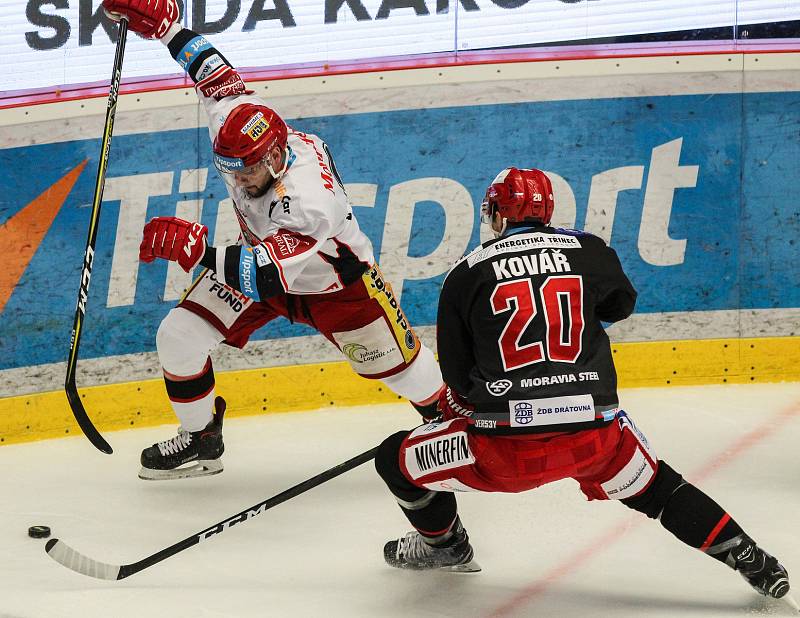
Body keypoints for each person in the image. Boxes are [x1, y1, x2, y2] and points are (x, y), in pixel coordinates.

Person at [374, 167, 793, 603]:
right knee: (659, 490)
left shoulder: (465, 273)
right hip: (597, 437)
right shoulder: (587, 248)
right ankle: (750, 557)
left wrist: (463, 407)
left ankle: (445, 547)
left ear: (499, 211)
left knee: (392, 457)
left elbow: (458, 376)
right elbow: (621, 303)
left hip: (506, 452)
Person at [101, 0, 444, 480]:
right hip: (265, 267)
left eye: (250, 170)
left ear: (278, 158)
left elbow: (261, 272)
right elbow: (214, 73)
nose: (240, 181)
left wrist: (196, 250)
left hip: (336, 287)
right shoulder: (239, 128)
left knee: (407, 375)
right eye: (231, 171)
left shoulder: (309, 200)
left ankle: (449, 422)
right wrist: (167, 26)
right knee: (179, 335)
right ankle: (202, 439)